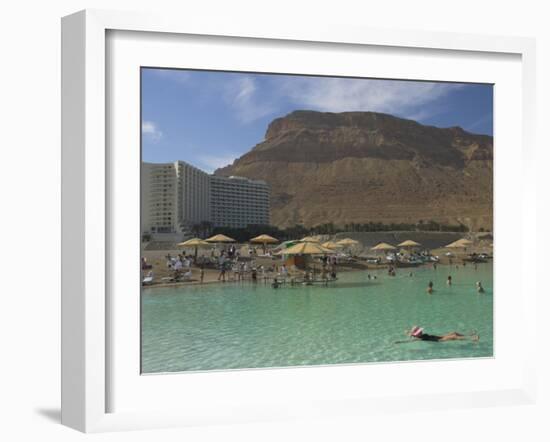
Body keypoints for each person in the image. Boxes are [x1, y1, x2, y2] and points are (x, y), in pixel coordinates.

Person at [406, 326, 479, 342]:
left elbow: (411, 334)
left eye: (420, 331)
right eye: (419, 332)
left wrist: (409, 332)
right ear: (416, 334)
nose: (421, 332)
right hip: (439, 340)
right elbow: (411, 340)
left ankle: (468, 335)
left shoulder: (420, 335)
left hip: (439, 337)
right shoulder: (419, 338)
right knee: (454, 336)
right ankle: (472, 339)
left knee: (454, 332)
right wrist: (399, 342)